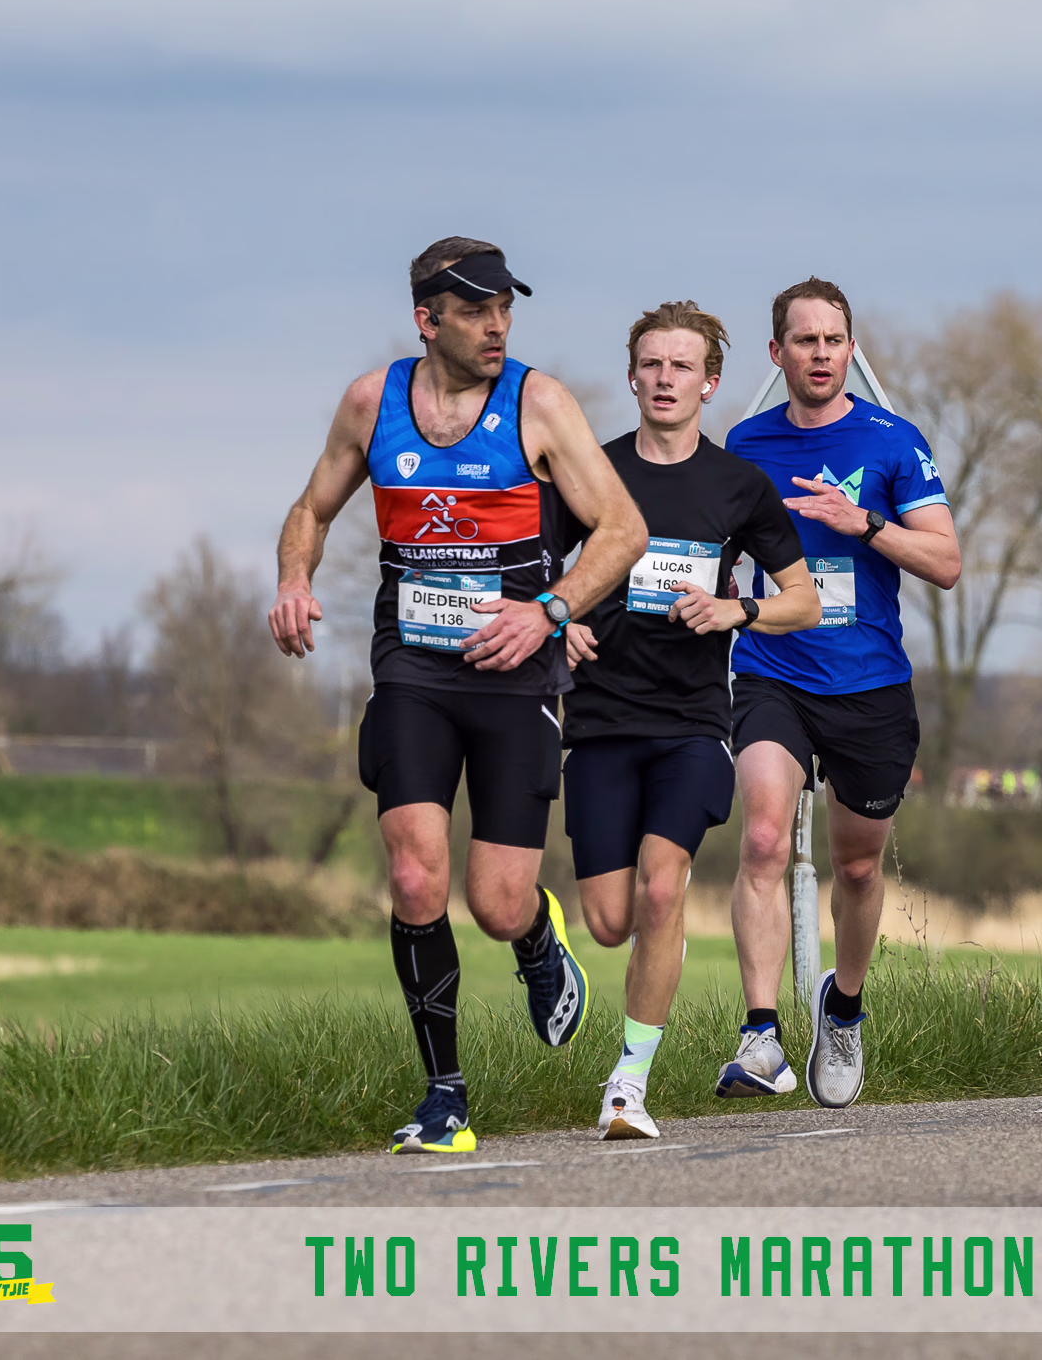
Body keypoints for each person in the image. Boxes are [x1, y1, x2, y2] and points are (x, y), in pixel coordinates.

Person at [268, 237, 647, 1154]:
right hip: (415, 668)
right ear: (426, 320)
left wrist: (549, 610)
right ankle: (445, 1094)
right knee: (413, 876)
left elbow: (622, 529)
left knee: (497, 902)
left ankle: (535, 937)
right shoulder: (372, 403)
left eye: (505, 309)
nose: (497, 326)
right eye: (476, 311)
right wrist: (293, 578)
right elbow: (312, 509)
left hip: (517, 674)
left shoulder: (539, 404)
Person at [559, 302, 820, 1140]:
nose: (665, 378)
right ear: (632, 376)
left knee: (664, 886)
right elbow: (530, 570)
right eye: (652, 364)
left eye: (681, 366)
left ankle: (627, 1085)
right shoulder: (591, 474)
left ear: (709, 383)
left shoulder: (738, 486)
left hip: (693, 722)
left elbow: (805, 601)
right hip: (600, 719)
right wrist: (558, 624)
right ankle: (551, 934)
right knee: (611, 921)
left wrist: (737, 610)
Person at [718, 277, 960, 1109]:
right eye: (804, 340)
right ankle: (759, 1035)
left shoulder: (894, 441)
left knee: (857, 866)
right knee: (762, 837)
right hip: (772, 668)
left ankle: (844, 1008)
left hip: (868, 683)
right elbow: (716, 552)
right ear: (777, 352)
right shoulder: (746, 443)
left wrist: (866, 524)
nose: (820, 354)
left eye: (833, 341)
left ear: (851, 350)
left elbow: (946, 563)